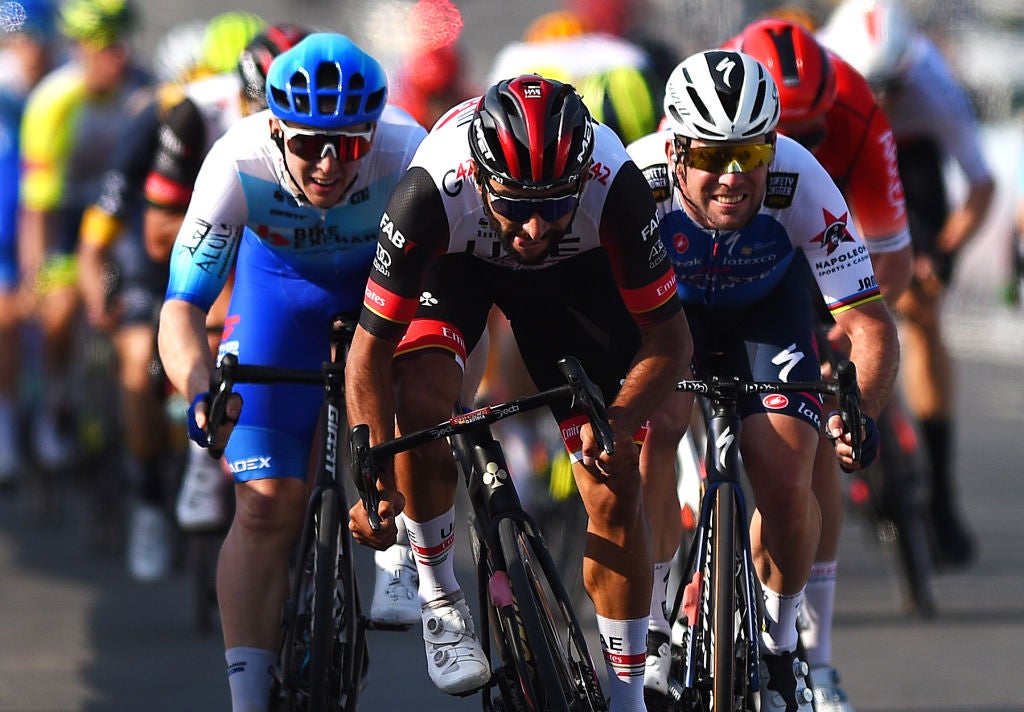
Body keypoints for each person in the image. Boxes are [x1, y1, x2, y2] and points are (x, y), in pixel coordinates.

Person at [345, 74, 691, 711]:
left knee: (615, 487)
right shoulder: (430, 189)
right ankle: (441, 598)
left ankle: (627, 697)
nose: (532, 227)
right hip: (459, 265)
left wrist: (616, 422)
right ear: (479, 179)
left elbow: (671, 340)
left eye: (554, 205)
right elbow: (368, 354)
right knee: (421, 401)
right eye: (514, 204)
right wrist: (375, 476)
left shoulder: (614, 185)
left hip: (573, 276)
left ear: (580, 181)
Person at [156, 33, 426, 712]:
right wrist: (199, 390)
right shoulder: (237, 158)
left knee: (423, 394)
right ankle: (248, 697)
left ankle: (408, 547)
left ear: (373, 135)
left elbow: (453, 300)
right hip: (279, 297)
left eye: (349, 147)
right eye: (308, 145)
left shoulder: (409, 150)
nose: (329, 166)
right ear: (276, 129)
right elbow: (182, 305)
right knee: (265, 504)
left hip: (382, 298)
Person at [626, 50, 899, 712]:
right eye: (711, 156)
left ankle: (780, 647)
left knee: (784, 475)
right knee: (657, 428)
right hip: (668, 315)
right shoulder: (636, 179)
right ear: (675, 148)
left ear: (772, 149)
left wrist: (859, 413)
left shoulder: (802, 181)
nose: (731, 176)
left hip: (766, 313)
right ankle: (653, 630)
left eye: (748, 155)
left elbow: (870, 325)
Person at [725, 18, 914, 712]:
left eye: (815, 133)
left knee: (811, 442)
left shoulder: (858, 111)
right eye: (787, 134)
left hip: (809, 246)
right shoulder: (713, 111)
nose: (802, 145)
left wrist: (843, 342)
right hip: (716, 252)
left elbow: (893, 259)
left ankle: (819, 656)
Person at [75, 10, 266, 581]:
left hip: (224, 251)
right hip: (150, 253)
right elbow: (99, 230)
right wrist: (95, 290)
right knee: (138, 360)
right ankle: (149, 501)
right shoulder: (163, 116)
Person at [820, 0, 995, 568]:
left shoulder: (930, 83)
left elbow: (981, 185)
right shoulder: (826, 71)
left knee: (921, 311)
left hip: (909, 162)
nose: (883, 100)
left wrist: (942, 252)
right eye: (874, 88)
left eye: (893, 89)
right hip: (839, 151)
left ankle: (940, 493)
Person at [142, 21, 310, 536]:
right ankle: (202, 449)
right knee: (218, 303)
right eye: (263, 112)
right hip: (210, 229)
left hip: (286, 238)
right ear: (242, 96)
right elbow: (157, 235)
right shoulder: (196, 114)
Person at [18, 0, 147, 477]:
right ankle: (55, 404)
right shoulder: (53, 102)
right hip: (67, 219)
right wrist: (38, 277)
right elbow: (37, 208)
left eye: (122, 43)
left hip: (121, 219)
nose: (119, 55)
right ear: (81, 49)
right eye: (106, 46)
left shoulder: (142, 92)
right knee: (60, 308)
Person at [0, 0, 62, 487]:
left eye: (38, 40)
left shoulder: (64, 89)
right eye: (19, 40)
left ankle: (49, 413)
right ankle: (5, 424)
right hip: (5, 240)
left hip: (51, 233)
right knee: (5, 319)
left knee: (56, 312)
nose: (31, 51)